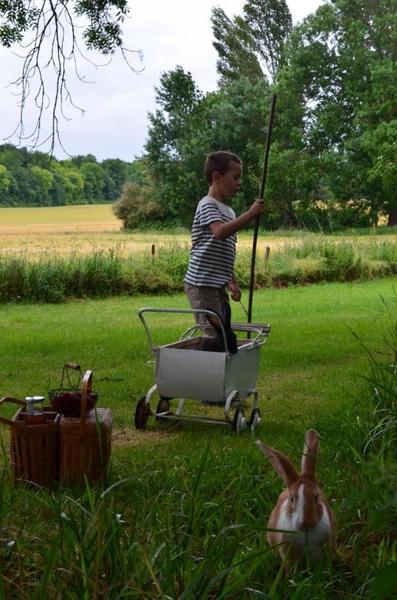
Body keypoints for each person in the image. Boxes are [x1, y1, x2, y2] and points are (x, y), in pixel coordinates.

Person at [184, 150, 265, 335]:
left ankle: (221, 361)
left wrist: (232, 281)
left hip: (217, 284)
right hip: (201, 283)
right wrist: (251, 214)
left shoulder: (229, 212)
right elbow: (219, 233)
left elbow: (226, 252)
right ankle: (207, 362)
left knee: (224, 330)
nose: (239, 183)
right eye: (235, 177)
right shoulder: (207, 204)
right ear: (216, 177)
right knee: (215, 333)